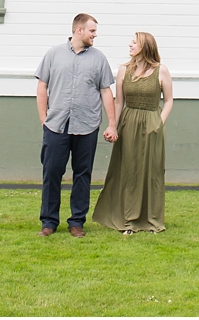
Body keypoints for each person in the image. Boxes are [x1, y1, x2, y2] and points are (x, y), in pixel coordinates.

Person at [35, 12, 116, 237]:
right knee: (52, 172)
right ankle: (49, 222)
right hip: (56, 125)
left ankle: (76, 222)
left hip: (87, 126)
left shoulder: (99, 58)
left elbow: (106, 91)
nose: (95, 35)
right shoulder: (53, 54)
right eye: (92, 31)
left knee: (83, 174)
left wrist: (112, 124)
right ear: (79, 30)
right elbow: (42, 87)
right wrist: (44, 119)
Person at [92, 31, 174, 234]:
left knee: (152, 170)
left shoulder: (160, 71)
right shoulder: (123, 70)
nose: (130, 45)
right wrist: (113, 126)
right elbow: (118, 101)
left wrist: (159, 123)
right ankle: (129, 219)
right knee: (128, 170)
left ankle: (152, 219)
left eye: (134, 42)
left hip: (152, 124)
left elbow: (169, 100)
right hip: (129, 123)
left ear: (145, 46)